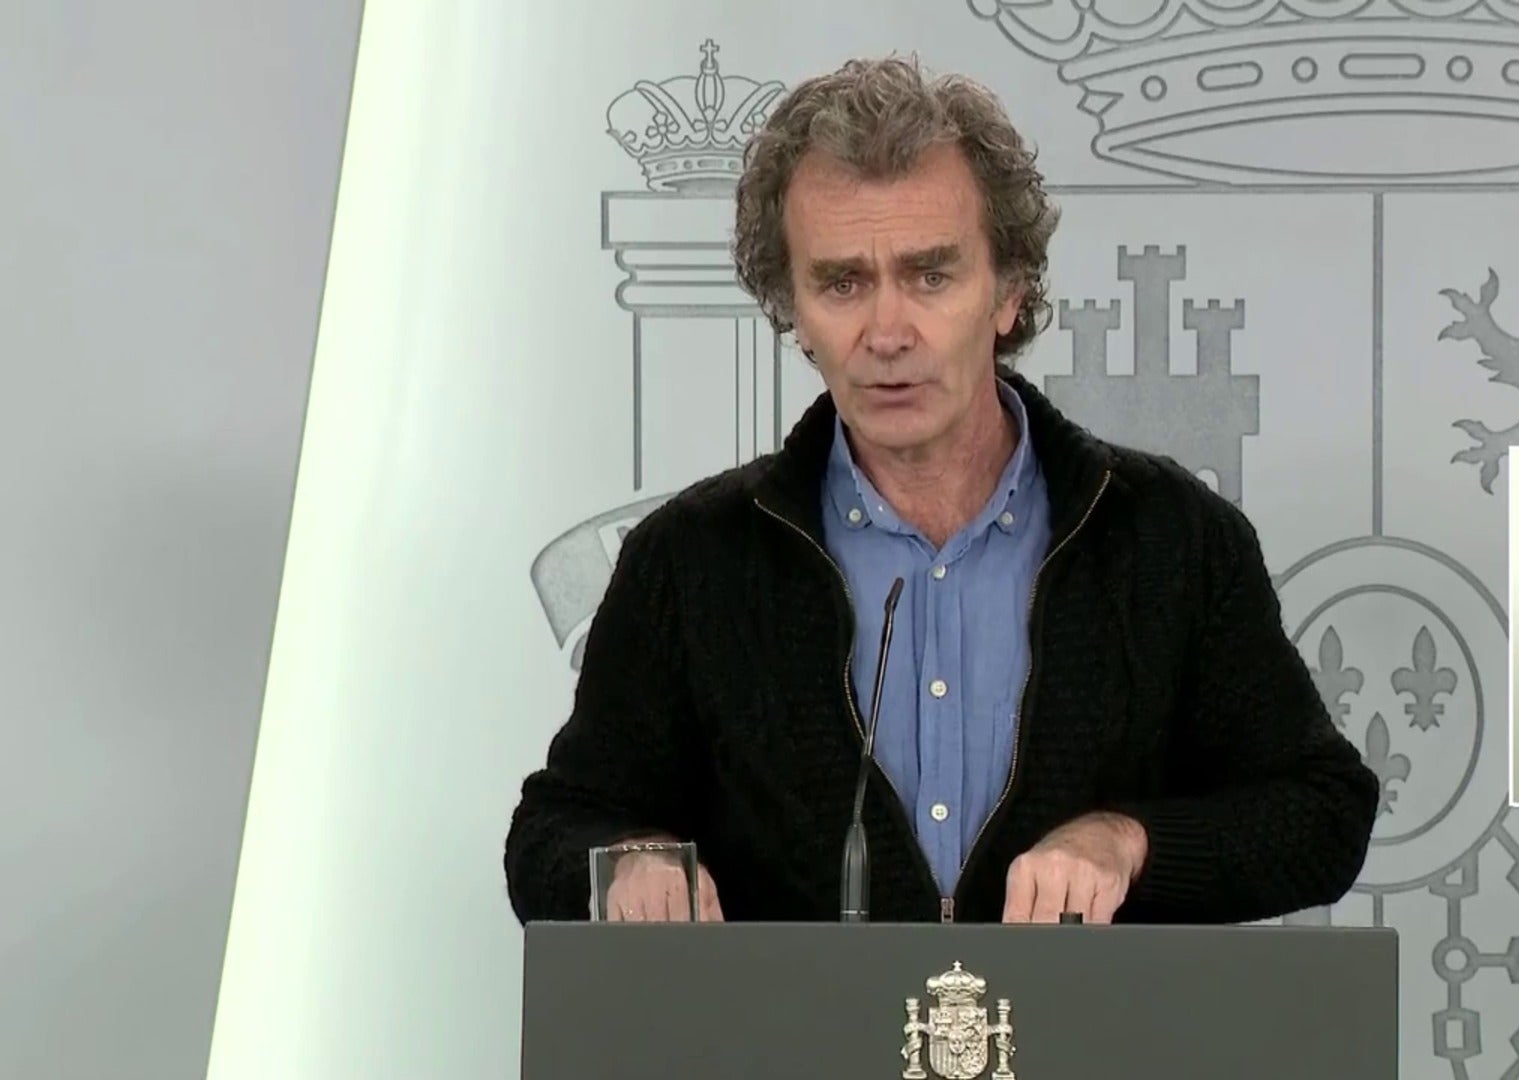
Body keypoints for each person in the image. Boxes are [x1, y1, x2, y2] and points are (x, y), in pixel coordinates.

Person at [502, 55, 1379, 925]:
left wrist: (1129, 842)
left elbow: (1321, 815)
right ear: (792, 310)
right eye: (842, 283)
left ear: (1009, 293)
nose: (887, 332)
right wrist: (626, 862)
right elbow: (555, 829)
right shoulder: (691, 559)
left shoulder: (1170, 539)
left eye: (931, 275)